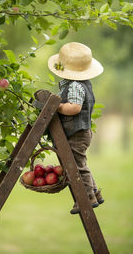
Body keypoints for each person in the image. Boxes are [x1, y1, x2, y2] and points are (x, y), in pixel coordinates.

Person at [48, 42, 104, 214]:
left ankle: (87, 198)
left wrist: (58, 106)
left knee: (78, 165)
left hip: (77, 133)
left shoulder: (75, 86)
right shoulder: (77, 83)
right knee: (81, 164)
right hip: (78, 132)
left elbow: (75, 108)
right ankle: (95, 192)